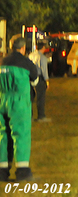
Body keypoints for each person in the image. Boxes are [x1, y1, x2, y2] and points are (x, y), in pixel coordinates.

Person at [0, 37, 39, 182]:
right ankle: (22, 171)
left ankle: (2, 171)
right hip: (19, 102)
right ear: (23, 48)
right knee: (21, 134)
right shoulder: (26, 63)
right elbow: (34, 80)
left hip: (2, 100)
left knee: (3, 136)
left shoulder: (2, 61)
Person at [28, 42, 50, 122]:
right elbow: (44, 70)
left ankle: (30, 116)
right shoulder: (43, 57)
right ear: (43, 47)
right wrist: (47, 81)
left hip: (30, 77)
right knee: (40, 97)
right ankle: (41, 116)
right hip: (39, 78)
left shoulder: (30, 55)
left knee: (30, 97)